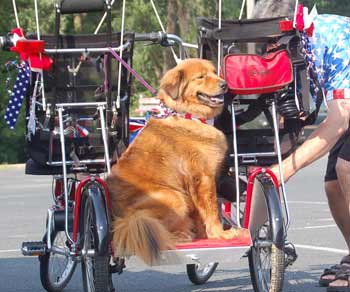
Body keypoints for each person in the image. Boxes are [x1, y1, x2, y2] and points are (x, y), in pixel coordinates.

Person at [270, 12, 350, 291]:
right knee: (332, 185)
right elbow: (295, 116)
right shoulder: (291, 54)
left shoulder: (334, 38)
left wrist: (287, 169)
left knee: (346, 168)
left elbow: (340, 120)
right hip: (346, 105)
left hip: (346, 108)